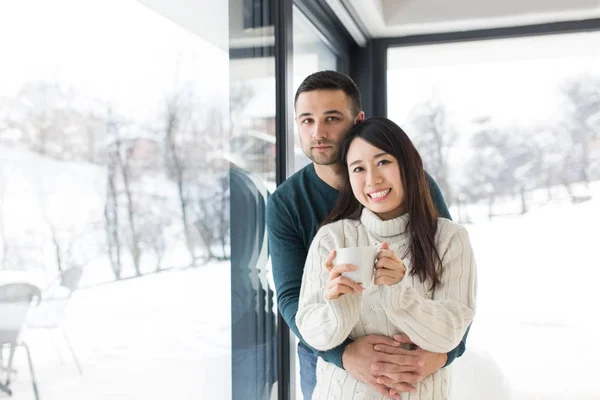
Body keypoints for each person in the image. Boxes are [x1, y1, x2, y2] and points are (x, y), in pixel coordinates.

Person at [266, 71, 470, 400]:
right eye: (306, 120)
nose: (318, 132)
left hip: (415, 350)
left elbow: (454, 283)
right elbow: (292, 298)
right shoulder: (287, 203)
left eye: (331, 118)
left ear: (358, 120)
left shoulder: (413, 184)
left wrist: (443, 353)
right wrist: (343, 357)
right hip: (327, 353)